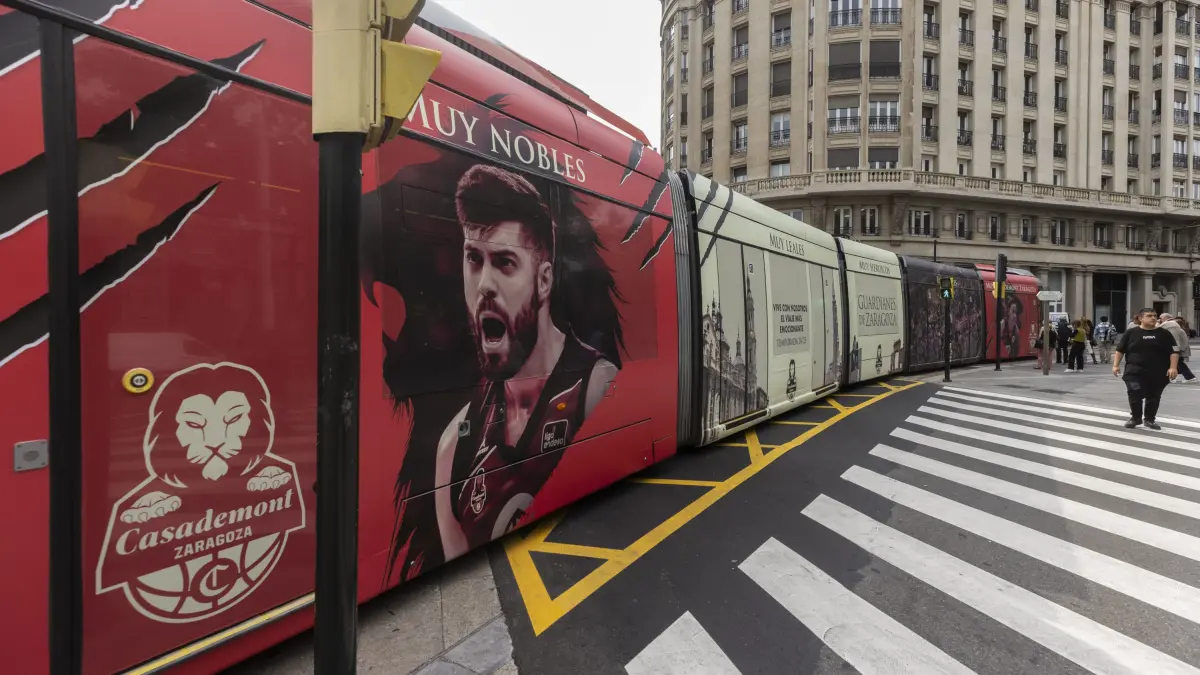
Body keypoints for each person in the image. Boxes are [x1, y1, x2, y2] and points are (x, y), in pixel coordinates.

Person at [434, 164, 618, 560]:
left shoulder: (598, 389)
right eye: (473, 259)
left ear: (544, 280)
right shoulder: (452, 451)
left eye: (504, 262)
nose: (484, 285)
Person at [1113, 308, 1180, 429]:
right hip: (1134, 370)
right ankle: (1135, 418)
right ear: (1140, 318)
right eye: (1149, 316)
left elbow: (1174, 352)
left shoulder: (1164, 333)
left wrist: (1173, 367)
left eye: (1155, 315)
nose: (1153, 318)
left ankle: (1149, 419)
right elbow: (1120, 350)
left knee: (1153, 396)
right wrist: (1115, 365)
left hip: (1158, 371)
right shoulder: (1131, 333)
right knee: (1134, 392)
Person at [1159, 313, 1195, 383]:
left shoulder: (1171, 325)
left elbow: (1174, 339)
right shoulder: (1171, 325)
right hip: (1176, 348)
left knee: (1176, 363)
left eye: (1161, 318)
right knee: (1178, 363)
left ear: (1166, 318)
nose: (1160, 320)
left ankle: (1188, 377)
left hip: (1174, 348)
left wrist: (1174, 350)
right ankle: (1187, 377)